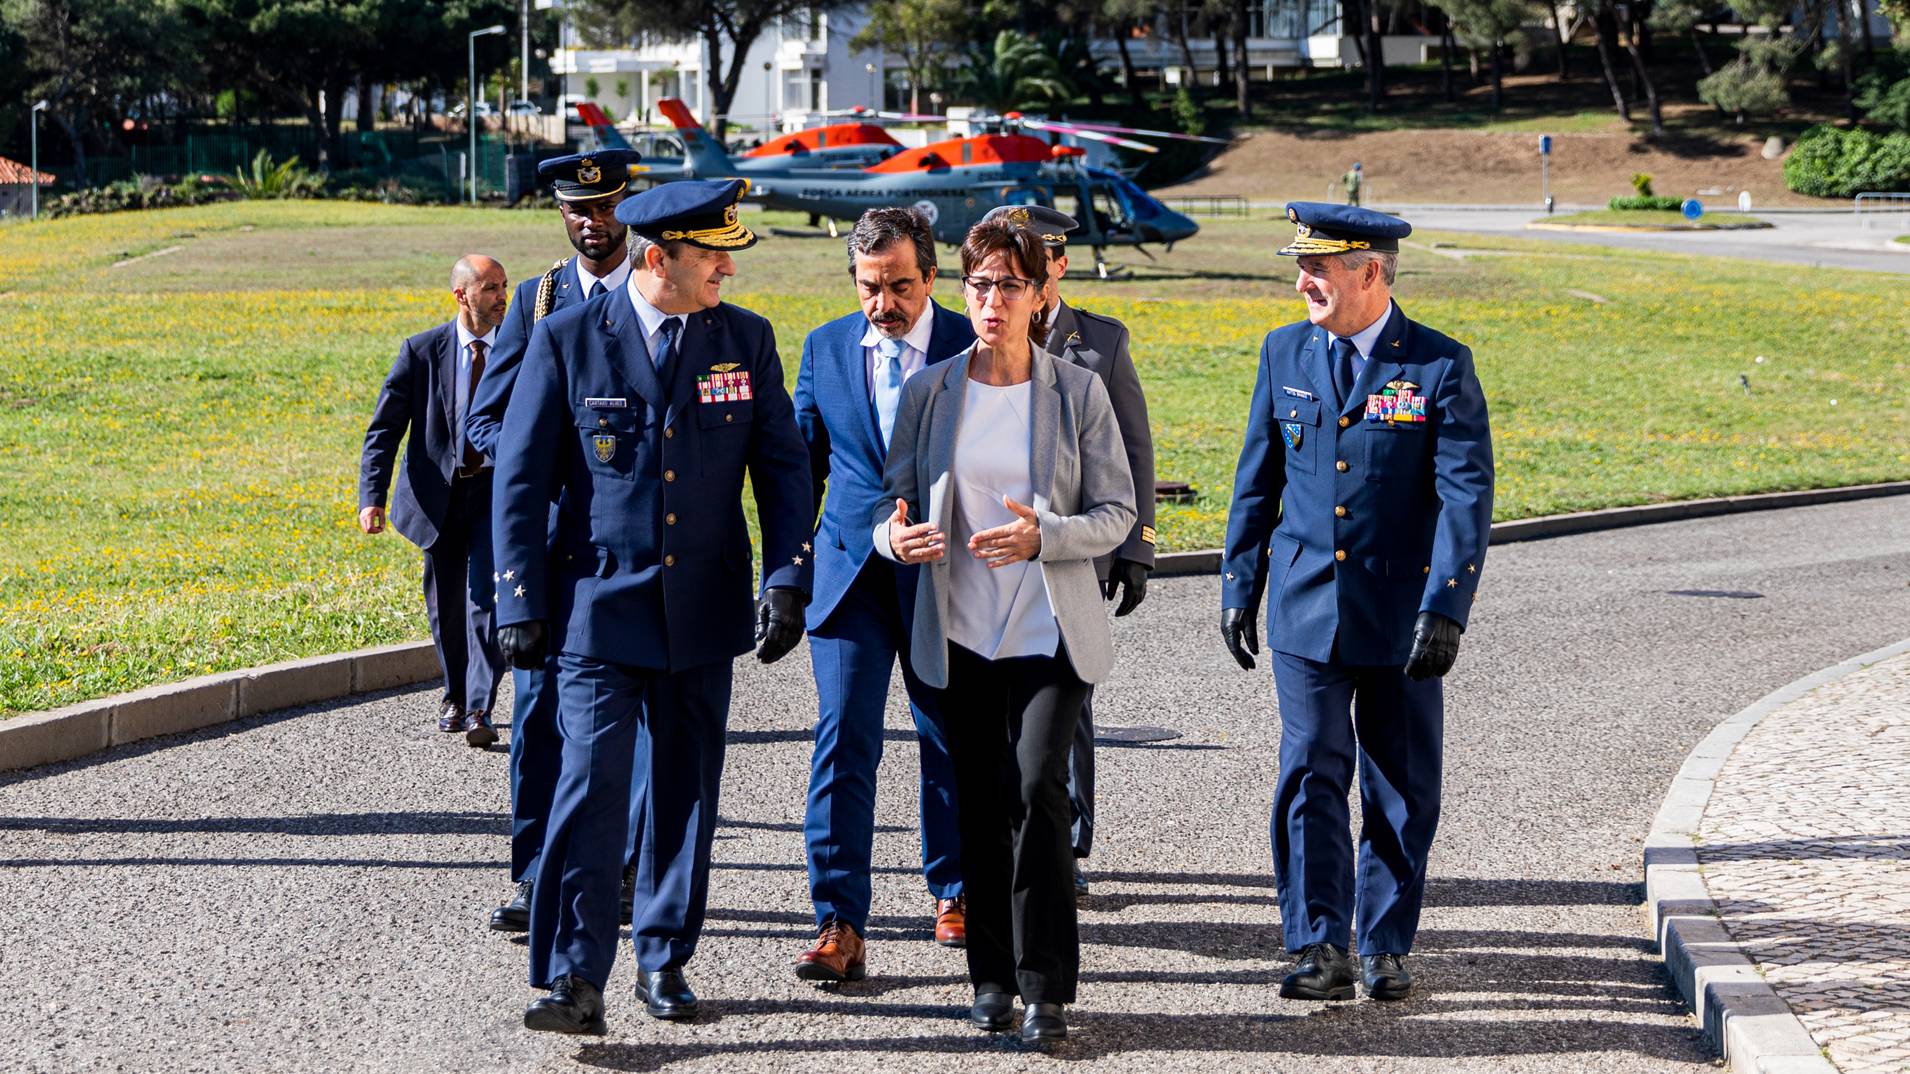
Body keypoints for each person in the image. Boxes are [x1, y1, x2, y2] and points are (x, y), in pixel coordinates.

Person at [492, 178, 811, 1034]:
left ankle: (664, 960)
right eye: (712, 257)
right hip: (597, 605)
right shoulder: (566, 338)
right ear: (658, 257)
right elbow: (520, 481)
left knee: (684, 795)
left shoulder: (744, 339)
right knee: (589, 789)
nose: (726, 274)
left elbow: (782, 468)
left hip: (702, 608)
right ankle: (572, 977)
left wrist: (787, 576)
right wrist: (516, 597)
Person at [1219, 202, 1493, 1003]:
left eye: (1319, 268)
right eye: (1299, 267)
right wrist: (1240, 581)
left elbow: (1465, 497)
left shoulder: (1439, 366)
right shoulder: (1284, 351)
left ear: (1370, 272)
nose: (1303, 281)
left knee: (1399, 784)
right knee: (1309, 769)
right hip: (1306, 605)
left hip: (1401, 614)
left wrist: (1446, 607)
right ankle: (1316, 945)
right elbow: (1257, 477)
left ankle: (1382, 943)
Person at [874, 217, 1135, 1044]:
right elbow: (890, 502)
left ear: (1039, 293)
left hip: (1049, 630)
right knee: (981, 806)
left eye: (1010, 286)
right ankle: (989, 980)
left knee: (1037, 791)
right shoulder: (932, 391)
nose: (993, 300)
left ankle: (1047, 986)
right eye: (980, 285)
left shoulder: (1076, 391)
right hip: (960, 629)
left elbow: (1117, 512)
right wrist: (896, 537)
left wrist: (1043, 535)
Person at [789, 207, 977, 983]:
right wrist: (786, 573)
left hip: (947, 573)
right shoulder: (824, 349)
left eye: (900, 286)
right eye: (870, 287)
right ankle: (839, 922)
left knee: (951, 737)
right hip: (849, 577)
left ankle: (957, 890)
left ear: (930, 277)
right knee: (845, 741)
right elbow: (798, 469)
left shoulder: (977, 342)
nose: (885, 304)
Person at [464, 149, 643, 936]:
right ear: (562, 216)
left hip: (631, 549)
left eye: (606, 209)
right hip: (549, 550)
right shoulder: (537, 302)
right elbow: (484, 418)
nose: (594, 223)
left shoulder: (657, 289)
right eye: (579, 210)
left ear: (626, 210)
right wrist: (540, 456)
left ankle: (628, 871)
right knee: (537, 717)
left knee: (631, 721)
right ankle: (535, 872)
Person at [981, 203, 1157, 902]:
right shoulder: (982, 326)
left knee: (1069, 700)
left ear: (1058, 266)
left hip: (1077, 547)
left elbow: (1134, 448)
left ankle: (1068, 835)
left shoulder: (1101, 343)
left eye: (1042, 263)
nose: (1031, 279)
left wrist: (1138, 549)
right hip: (994, 548)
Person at [357, 254, 511, 747]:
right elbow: (384, 429)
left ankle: (480, 706)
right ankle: (456, 694)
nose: (501, 297)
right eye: (489, 288)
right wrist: (371, 496)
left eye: (503, 286)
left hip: (494, 491)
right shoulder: (422, 351)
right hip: (438, 496)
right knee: (446, 603)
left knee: (489, 596)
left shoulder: (519, 349)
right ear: (461, 295)